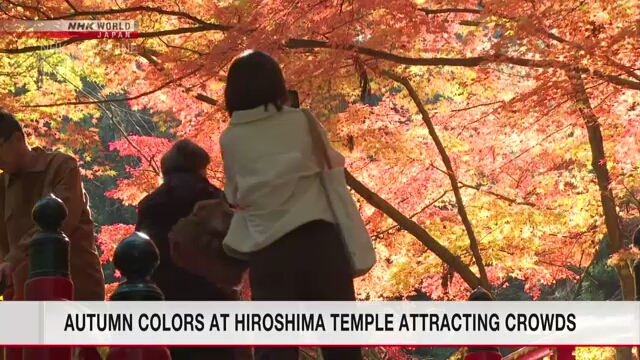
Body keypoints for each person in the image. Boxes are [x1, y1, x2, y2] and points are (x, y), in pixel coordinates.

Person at [220, 50, 363, 360]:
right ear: (277, 84)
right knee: (342, 348)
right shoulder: (302, 122)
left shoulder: (230, 138)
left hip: (270, 251)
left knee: (276, 350)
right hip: (321, 243)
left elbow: (234, 196)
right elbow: (331, 166)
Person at [135, 139, 250, 360]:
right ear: (201, 167)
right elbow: (235, 250)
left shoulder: (151, 204)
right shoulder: (214, 198)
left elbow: (143, 256)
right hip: (215, 300)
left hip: (167, 301)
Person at [0, 110, 105, 301]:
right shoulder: (2, 188)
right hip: (23, 300)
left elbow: (63, 221)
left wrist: (14, 259)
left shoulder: (62, 166)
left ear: (17, 139)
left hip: (76, 293)